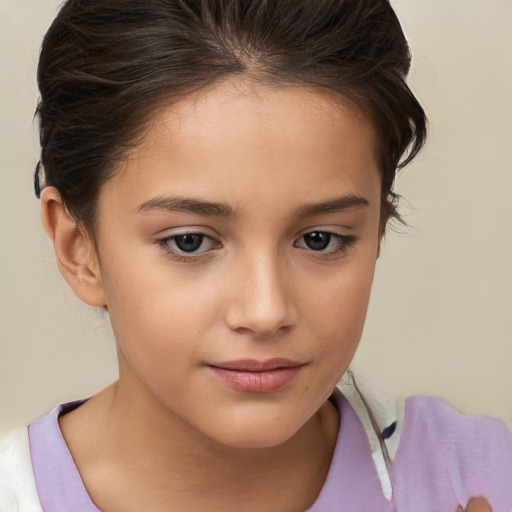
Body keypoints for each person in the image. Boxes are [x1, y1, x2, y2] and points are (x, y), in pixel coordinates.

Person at [0, 0, 510, 510]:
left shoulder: (479, 481)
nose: (265, 312)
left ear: (376, 228)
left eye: (320, 239)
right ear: (78, 248)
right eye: (190, 242)